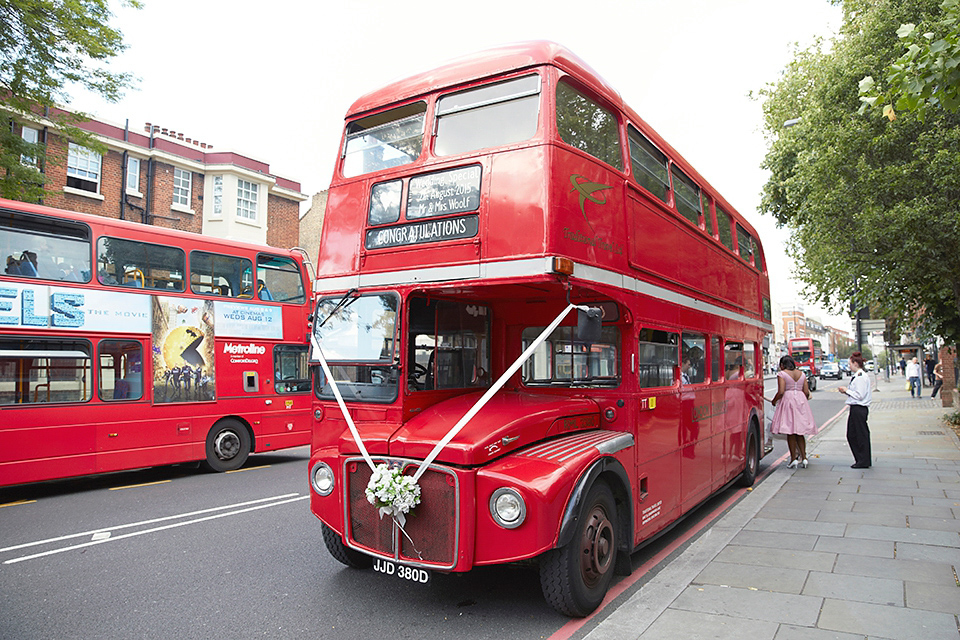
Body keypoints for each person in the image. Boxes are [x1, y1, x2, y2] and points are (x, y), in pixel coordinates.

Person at [770, 355, 818, 469]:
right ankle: (804, 458)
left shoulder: (782, 374)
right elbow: (806, 391)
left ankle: (793, 459)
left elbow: (781, 391)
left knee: (790, 431)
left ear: (782, 365)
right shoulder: (802, 374)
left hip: (788, 401)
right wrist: (801, 398)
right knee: (800, 432)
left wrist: (774, 401)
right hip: (801, 401)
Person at [838, 351, 872, 468]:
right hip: (855, 408)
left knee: (859, 435)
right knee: (853, 435)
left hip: (859, 408)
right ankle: (861, 459)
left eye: (850, 363)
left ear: (856, 363)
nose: (849, 366)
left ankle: (863, 460)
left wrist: (846, 390)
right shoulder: (858, 376)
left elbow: (860, 395)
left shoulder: (861, 377)